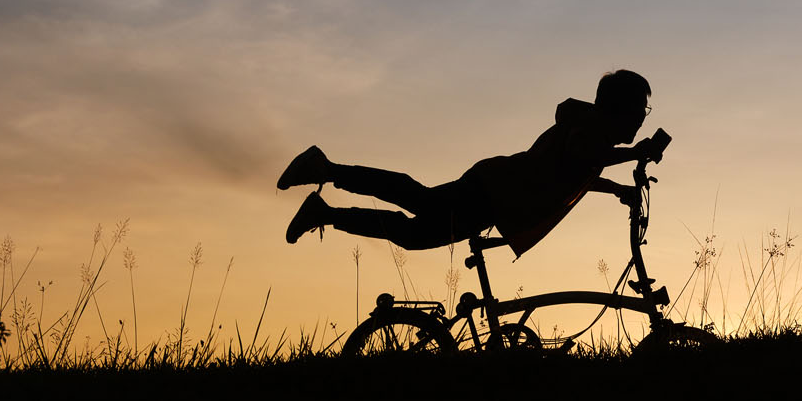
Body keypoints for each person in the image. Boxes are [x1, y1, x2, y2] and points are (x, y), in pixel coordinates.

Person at [278, 69, 659, 258]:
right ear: (621, 109)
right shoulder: (589, 131)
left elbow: (571, 172)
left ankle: (324, 206)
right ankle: (326, 173)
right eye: (640, 110)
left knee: (415, 226)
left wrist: (617, 189)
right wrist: (633, 154)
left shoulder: (591, 132)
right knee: (420, 206)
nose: (642, 118)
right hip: (492, 194)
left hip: (495, 194)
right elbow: (584, 158)